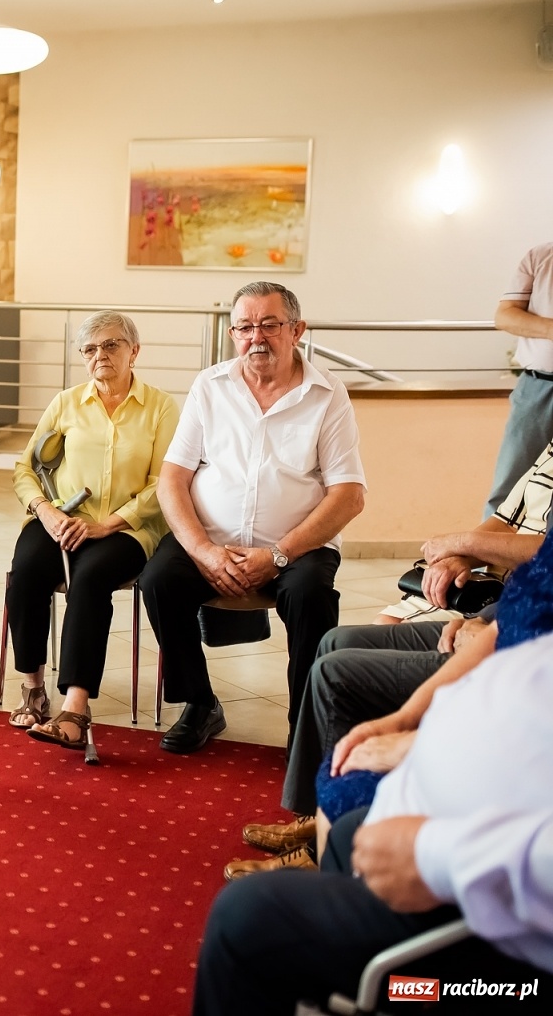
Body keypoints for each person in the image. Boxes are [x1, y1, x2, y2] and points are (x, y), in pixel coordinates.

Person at [193, 541, 553, 1016]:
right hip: (470, 841)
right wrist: (407, 722)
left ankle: (388, 988)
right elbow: (512, 632)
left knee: (246, 917)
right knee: (347, 832)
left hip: (508, 970)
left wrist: (433, 852)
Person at [229, 437, 553, 878]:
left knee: (335, 672)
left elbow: (542, 556)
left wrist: (471, 573)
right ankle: (314, 815)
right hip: (498, 615)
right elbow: (508, 523)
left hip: (515, 647)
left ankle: (327, 851)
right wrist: (466, 566)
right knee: (337, 643)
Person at [142, 281, 366, 753]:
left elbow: (349, 495)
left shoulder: (327, 395)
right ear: (232, 333)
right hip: (213, 539)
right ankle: (200, 704)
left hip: (297, 546)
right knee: (160, 579)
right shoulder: (210, 385)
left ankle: (304, 727)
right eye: (244, 327)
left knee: (310, 596)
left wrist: (279, 555)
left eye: (269, 324)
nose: (256, 337)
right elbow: (172, 479)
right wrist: (203, 549)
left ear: (297, 330)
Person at [4, 310, 178, 749]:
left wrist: (110, 524)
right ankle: (33, 688)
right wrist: (45, 512)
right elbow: (24, 469)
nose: (100, 355)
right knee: (26, 570)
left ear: (134, 351)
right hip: (61, 518)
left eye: (111, 345)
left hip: (128, 528)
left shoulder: (161, 407)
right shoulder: (65, 402)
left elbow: (167, 483)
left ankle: (76, 706)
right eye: (90, 349)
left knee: (91, 577)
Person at [486, 239, 553, 517]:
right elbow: (505, 316)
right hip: (539, 388)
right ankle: (485, 561)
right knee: (509, 486)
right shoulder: (541, 256)